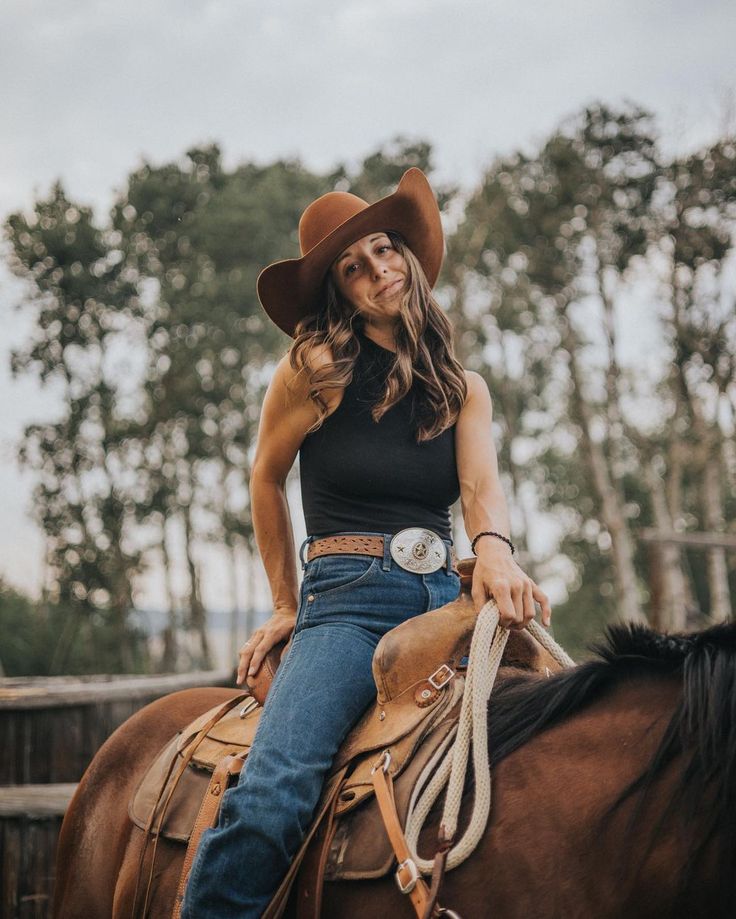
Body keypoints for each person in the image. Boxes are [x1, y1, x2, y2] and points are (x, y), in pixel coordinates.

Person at [180, 167, 552, 918]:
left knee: (566, 731)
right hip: (346, 602)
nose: (377, 269)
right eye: (353, 267)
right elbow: (264, 477)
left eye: (383, 250)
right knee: (275, 793)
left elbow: (480, 489)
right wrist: (288, 602)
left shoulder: (463, 387)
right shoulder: (313, 370)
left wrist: (499, 551)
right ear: (339, 292)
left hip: (443, 599)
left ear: (407, 256)